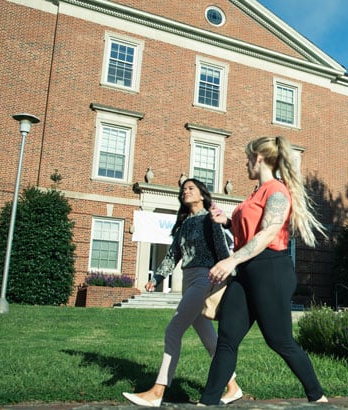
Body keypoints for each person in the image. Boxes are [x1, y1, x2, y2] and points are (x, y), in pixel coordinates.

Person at [198, 136, 329, 405]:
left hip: (271, 269)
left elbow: (269, 232)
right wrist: (227, 222)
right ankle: (207, 402)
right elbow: (250, 231)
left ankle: (317, 396)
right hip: (246, 271)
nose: (245, 164)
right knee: (227, 338)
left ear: (258, 158)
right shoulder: (255, 193)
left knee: (279, 340)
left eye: (248, 158)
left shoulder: (277, 191)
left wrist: (231, 260)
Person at [122, 178, 243, 407]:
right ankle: (232, 386)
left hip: (204, 278)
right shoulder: (184, 223)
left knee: (173, 330)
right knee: (210, 340)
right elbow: (172, 255)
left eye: (191, 188)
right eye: (183, 189)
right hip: (188, 280)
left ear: (201, 195)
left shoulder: (210, 218)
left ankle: (158, 391)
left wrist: (228, 275)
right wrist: (157, 278)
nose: (185, 191)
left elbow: (222, 249)